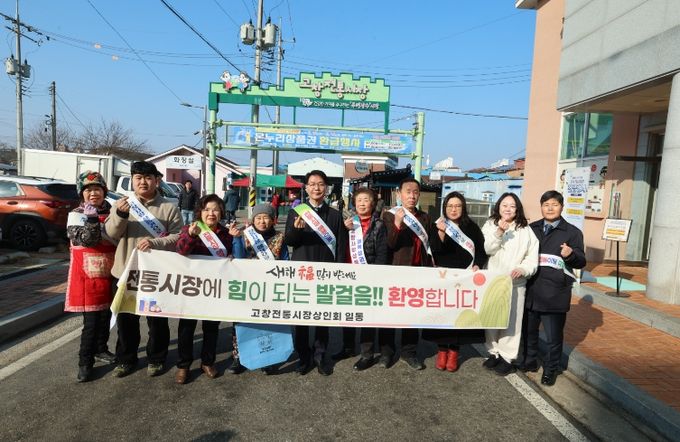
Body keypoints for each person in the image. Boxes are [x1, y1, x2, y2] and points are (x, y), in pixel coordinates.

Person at [105, 161, 182, 378]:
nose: (143, 182)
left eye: (148, 178)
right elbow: (111, 233)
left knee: (157, 320)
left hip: (156, 274)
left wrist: (155, 242)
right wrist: (120, 215)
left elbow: (178, 236)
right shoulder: (122, 204)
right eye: (138, 178)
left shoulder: (169, 207)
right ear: (132, 180)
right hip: (125, 271)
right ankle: (126, 359)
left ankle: (156, 358)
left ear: (157, 180)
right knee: (126, 320)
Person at [284, 170, 347, 376]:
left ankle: (320, 355)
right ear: (306, 187)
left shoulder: (335, 215)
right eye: (312, 184)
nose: (316, 188)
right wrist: (296, 230)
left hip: (326, 272)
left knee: (322, 317)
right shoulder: (296, 212)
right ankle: (304, 356)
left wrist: (338, 272)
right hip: (302, 271)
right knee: (301, 316)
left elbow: (340, 247)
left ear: (326, 188)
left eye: (320, 184)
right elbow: (290, 241)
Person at [521, 190, 586, 386]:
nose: (550, 208)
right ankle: (529, 361)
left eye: (554, 205)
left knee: (553, 337)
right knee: (529, 332)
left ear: (561, 207)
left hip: (555, 293)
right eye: (546, 205)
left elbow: (581, 261)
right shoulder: (531, 229)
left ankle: (551, 369)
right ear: (541, 207)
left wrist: (570, 254)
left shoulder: (572, 232)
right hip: (531, 290)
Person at [423, 191, 488, 374]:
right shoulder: (439, 225)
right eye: (450, 206)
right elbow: (435, 250)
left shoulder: (472, 228)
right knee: (443, 315)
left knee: (459, 316)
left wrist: (477, 264)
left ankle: (454, 352)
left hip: (465, 279)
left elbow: (481, 251)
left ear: (463, 208)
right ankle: (442, 350)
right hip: (444, 279)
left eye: (458, 206)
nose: (454, 209)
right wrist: (441, 232)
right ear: (445, 208)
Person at [174, 194, 234, 384]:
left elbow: (234, 257)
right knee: (186, 328)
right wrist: (192, 236)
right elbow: (181, 251)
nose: (211, 213)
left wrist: (235, 247)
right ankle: (183, 365)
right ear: (200, 212)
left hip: (215, 288)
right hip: (191, 288)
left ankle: (207, 362)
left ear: (221, 212)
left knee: (211, 327)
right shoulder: (190, 228)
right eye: (207, 209)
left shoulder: (226, 234)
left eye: (215, 209)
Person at [65, 171, 117, 382]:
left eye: (97, 189)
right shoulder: (76, 215)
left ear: (104, 192)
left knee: (106, 316)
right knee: (91, 322)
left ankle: (101, 349)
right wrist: (93, 220)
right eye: (88, 190)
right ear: (82, 194)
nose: (93, 193)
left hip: (110, 273)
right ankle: (85, 363)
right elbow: (88, 240)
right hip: (87, 276)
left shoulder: (114, 212)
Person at [481, 192, 539, 376]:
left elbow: (532, 257)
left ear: (517, 209)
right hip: (493, 282)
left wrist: (523, 269)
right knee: (491, 319)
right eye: (504, 205)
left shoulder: (525, 230)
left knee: (511, 322)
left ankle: (507, 357)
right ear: (498, 206)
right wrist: (499, 232)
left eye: (512, 206)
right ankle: (493, 352)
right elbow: (486, 249)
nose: (508, 209)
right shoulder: (490, 224)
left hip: (515, 283)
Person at [229, 203, 290, 375]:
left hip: (271, 288)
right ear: (253, 220)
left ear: (273, 220)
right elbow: (238, 258)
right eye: (258, 218)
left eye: (266, 218)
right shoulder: (245, 235)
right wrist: (236, 239)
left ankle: (269, 358)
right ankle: (239, 358)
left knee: (269, 324)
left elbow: (285, 261)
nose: (262, 221)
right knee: (242, 322)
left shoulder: (280, 237)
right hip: (249, 287)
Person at [381, 177, 434, 370]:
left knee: (412, 315)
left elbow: (431, 246)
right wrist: (397, 223)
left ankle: (408, 352)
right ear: (399, 194)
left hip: (418, 273)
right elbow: (389, 244)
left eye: (415, 192)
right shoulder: (389, 215)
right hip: (396, 272)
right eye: (408, 192)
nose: (412, 196)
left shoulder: (425, 218)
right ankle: (387, 352)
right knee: (389, 314)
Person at [333, 188, 388, 371]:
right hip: (348, 276)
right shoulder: (348, 222)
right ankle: (348, 348)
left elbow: (382, 253)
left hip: (368, 277)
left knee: (366, 317)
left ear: (372, 203)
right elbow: (339, 247)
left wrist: (375, 276)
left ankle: (367, 354)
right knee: (348, 315)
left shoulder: (379, 225)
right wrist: (344, 230)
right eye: (359, 200)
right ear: (354, 204)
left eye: (366, 200)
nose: (362, 204)